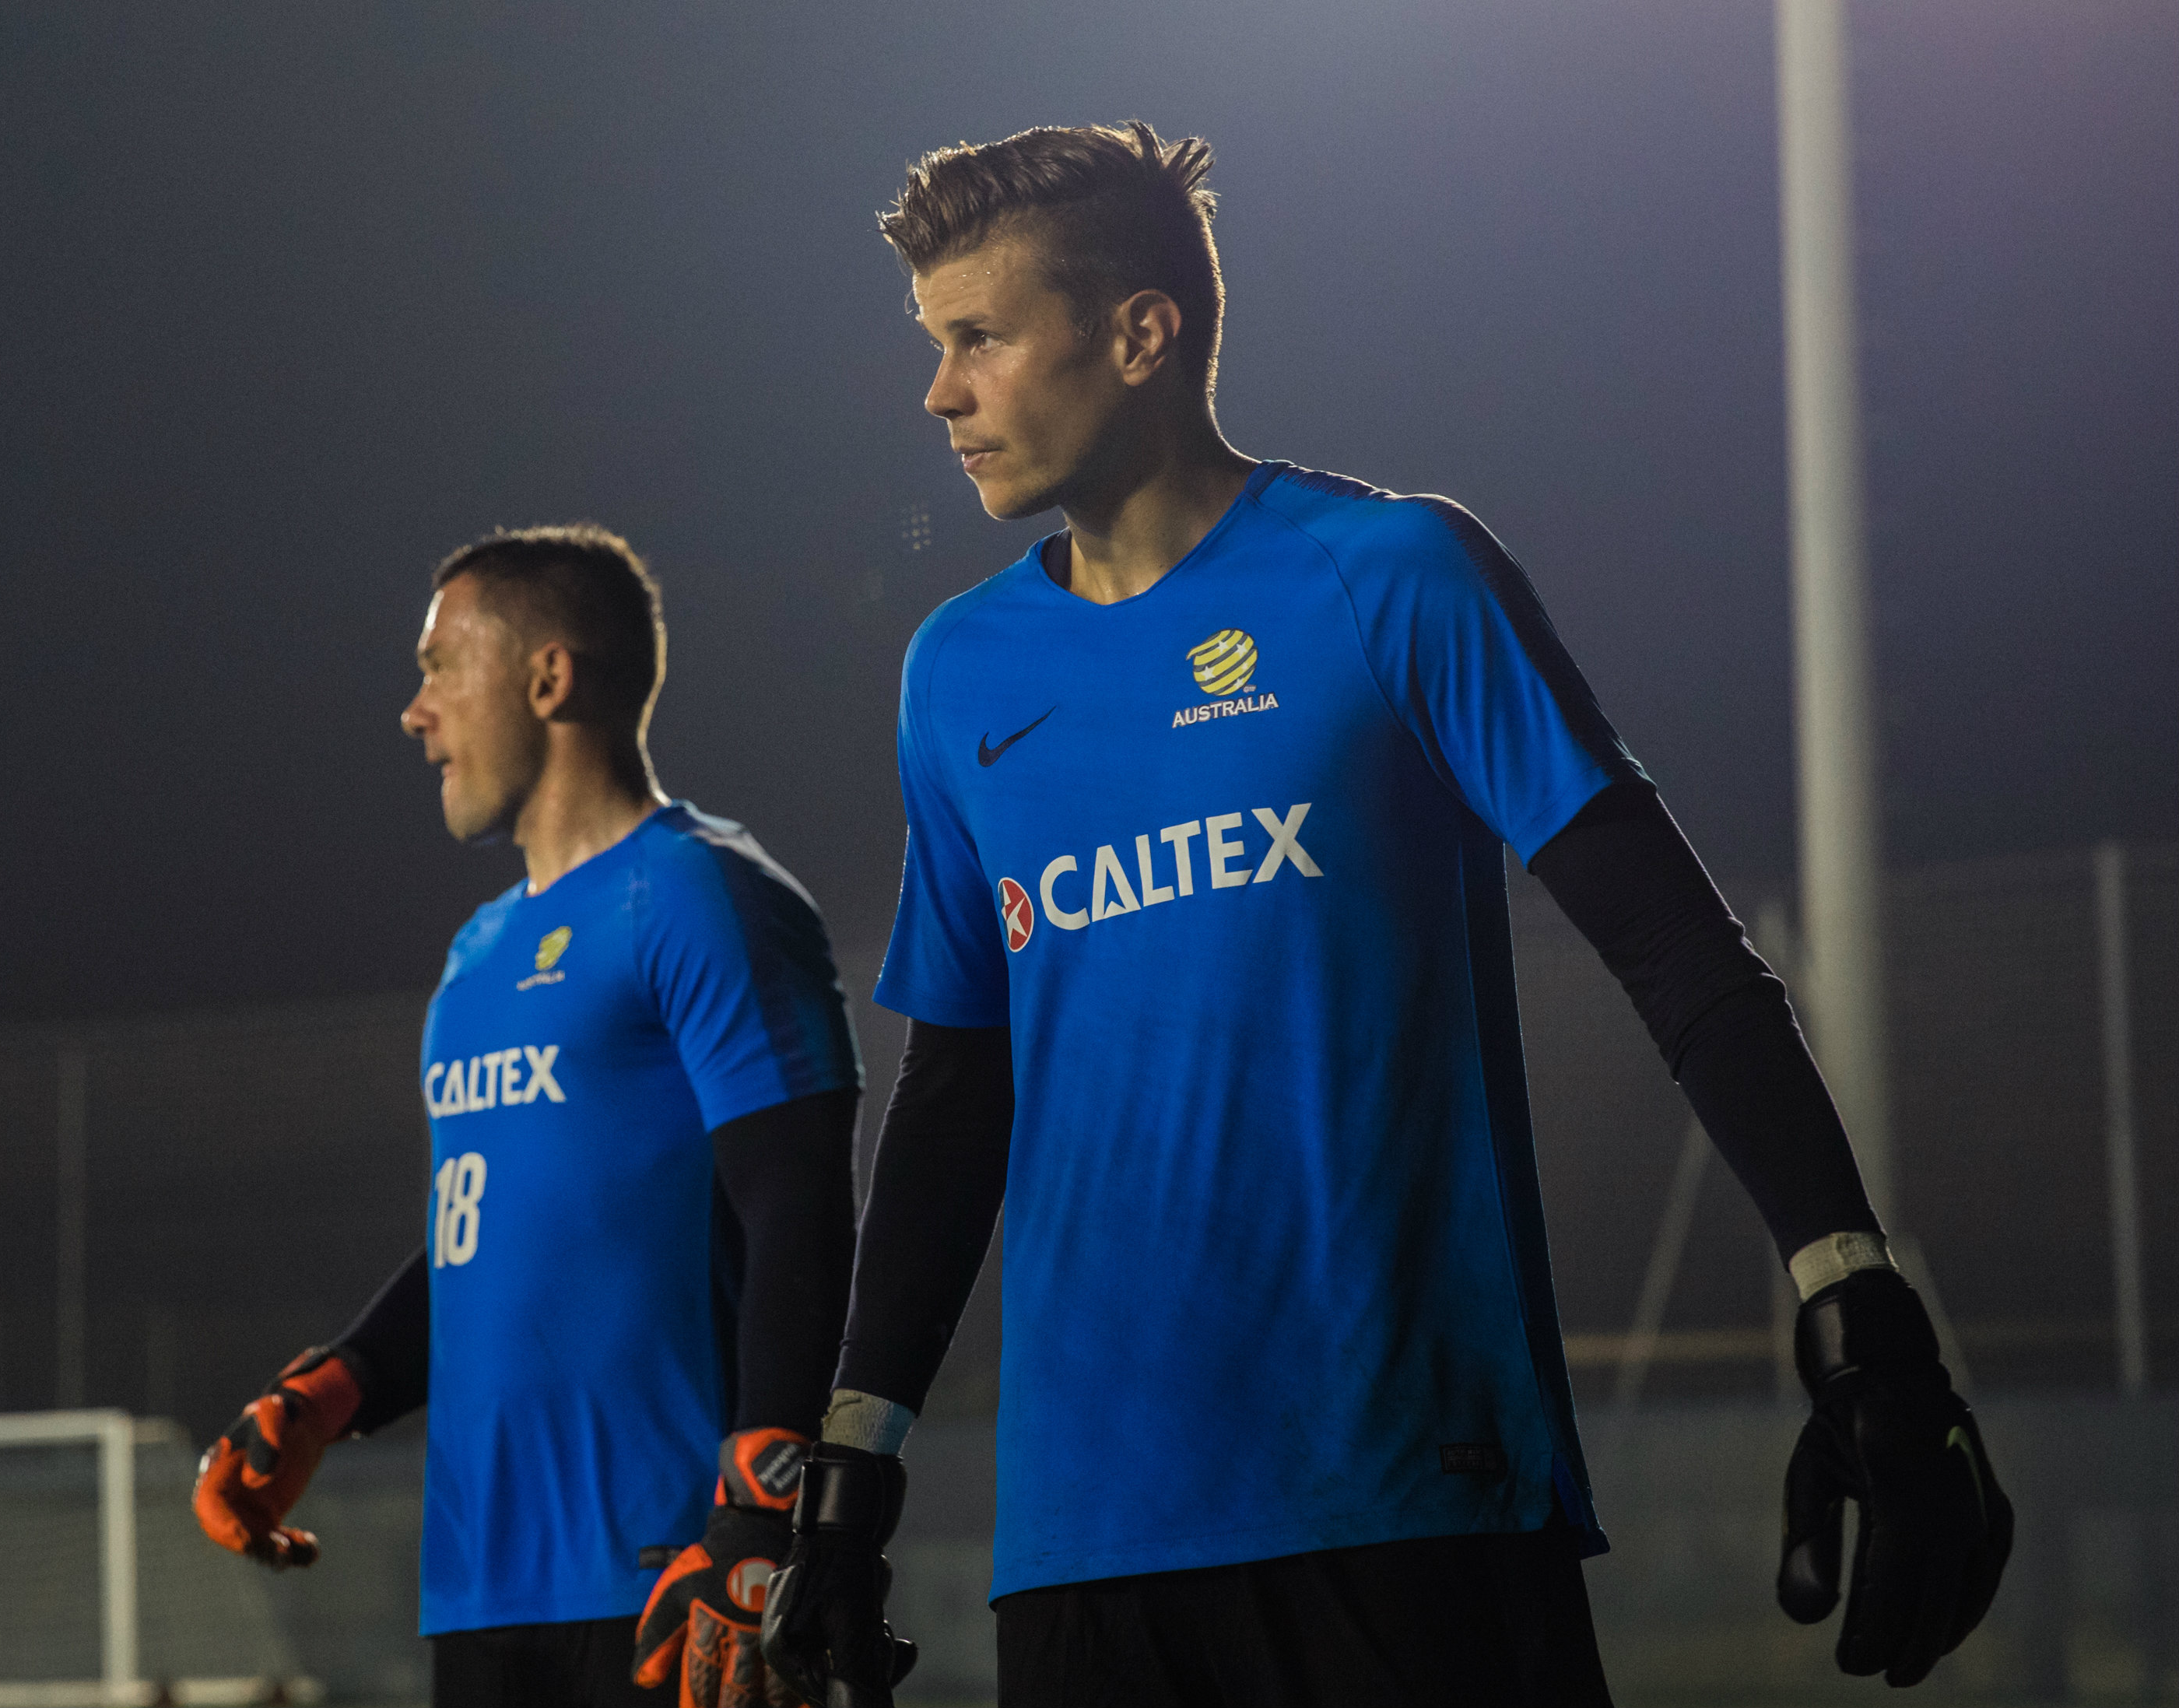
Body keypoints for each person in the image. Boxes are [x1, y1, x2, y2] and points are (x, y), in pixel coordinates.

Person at [757, 125, 2012, 1707]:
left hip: (1411, 1502)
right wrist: (850, 1478)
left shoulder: (1390, 575)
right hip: (1087, 1546)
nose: (938, 394)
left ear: (1142, 333)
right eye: (936, 347)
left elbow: (1680, 956)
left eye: (979, 340)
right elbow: (954, 1095)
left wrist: (1859, 1308)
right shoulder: (957, 677)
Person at [194, 524, 860, 1708]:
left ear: (547, 677)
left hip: (670, 1578)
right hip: (483, 1587)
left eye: (441, 665)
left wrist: (763, 1513)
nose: (416, 711)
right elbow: (489, 1237)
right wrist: (334, 1390)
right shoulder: (477, 955)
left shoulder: (703, 895)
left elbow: (798, 1207)